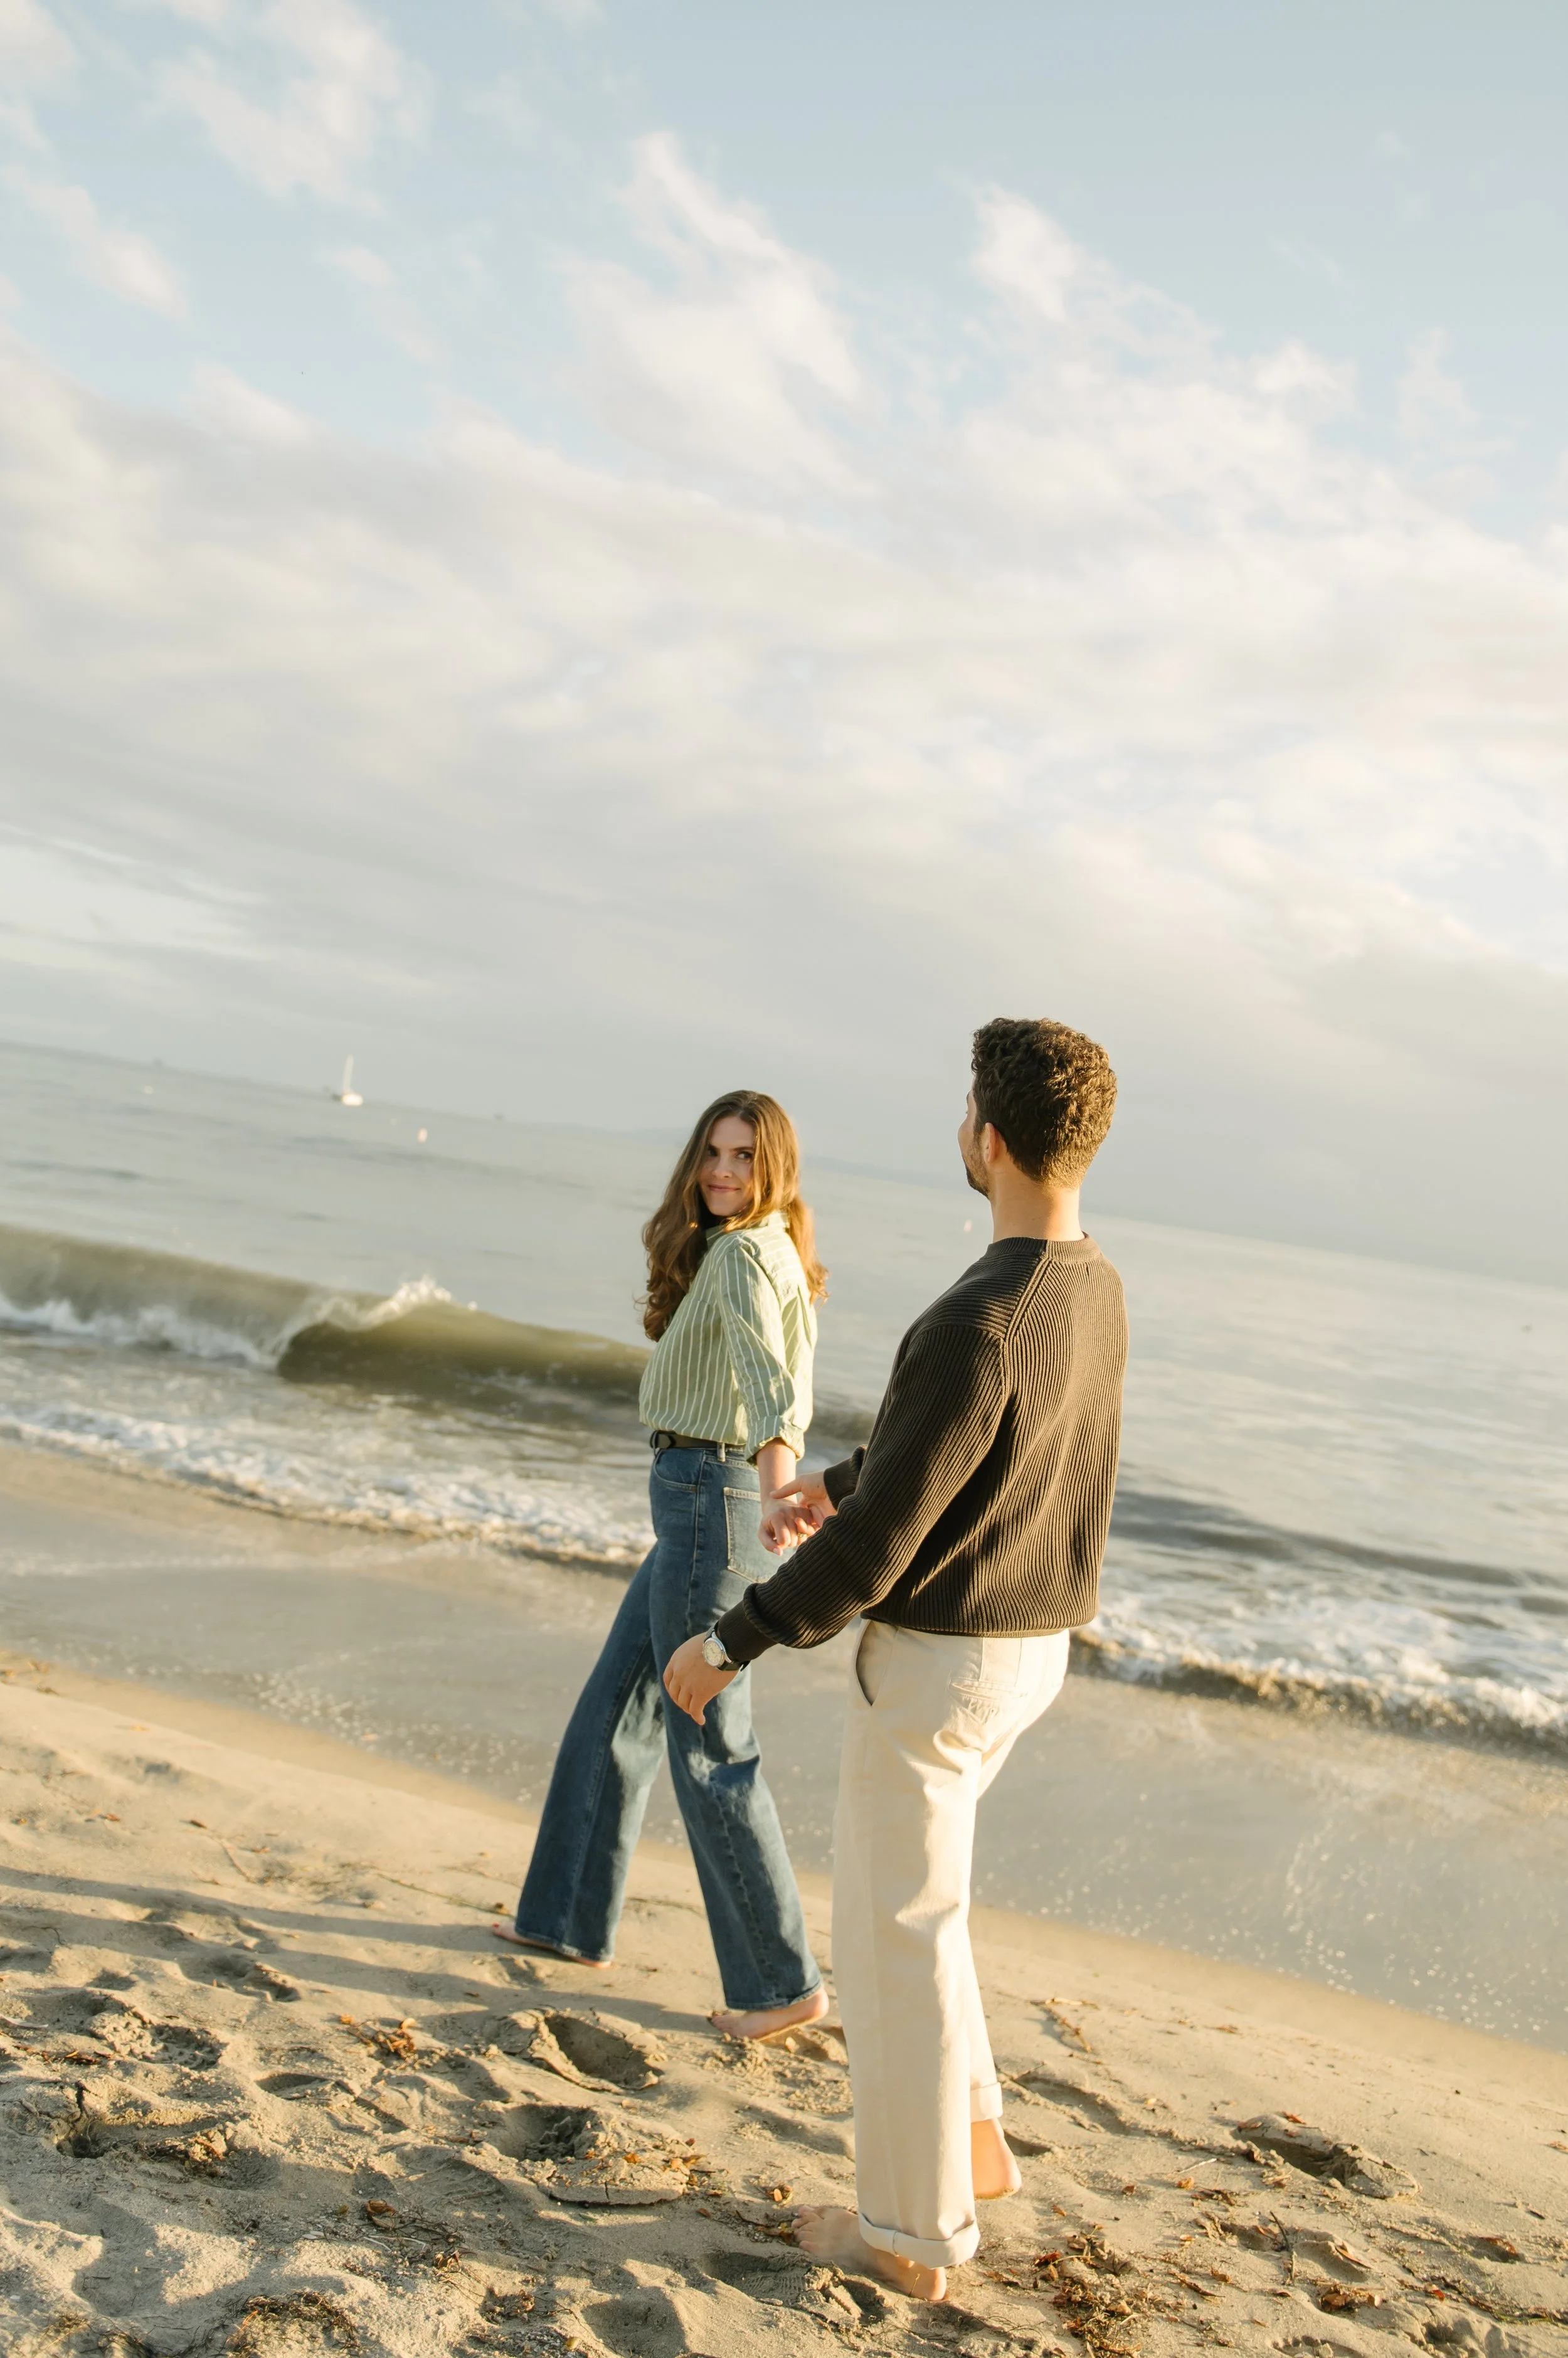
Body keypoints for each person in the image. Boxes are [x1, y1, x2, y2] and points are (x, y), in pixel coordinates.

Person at [664, 1019, 1127, 2299]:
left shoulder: (978, 1313)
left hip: (942, 1665)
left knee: (890, 1941)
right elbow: (977, 1453)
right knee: (932, 1917)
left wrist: (729, 1639)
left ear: (985, 1134)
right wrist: (841, 1480)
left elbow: (877, 1557)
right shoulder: (1092, 1284)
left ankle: (908, 2236)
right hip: (1032, 1650)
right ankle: (971, 2151)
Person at [497, 1091, 830, 2042]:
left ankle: (779, 1981)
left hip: (710, 1499)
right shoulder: (775, 1250)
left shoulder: (739, 1257)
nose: (722, 1170)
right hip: (698, 1500)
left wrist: (776, 1490)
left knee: (709, 1744)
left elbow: (772, 1383)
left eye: (743, 1155)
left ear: (774, 1169)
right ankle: (563, 1918)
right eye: (713, 1152)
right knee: (619, 1704)